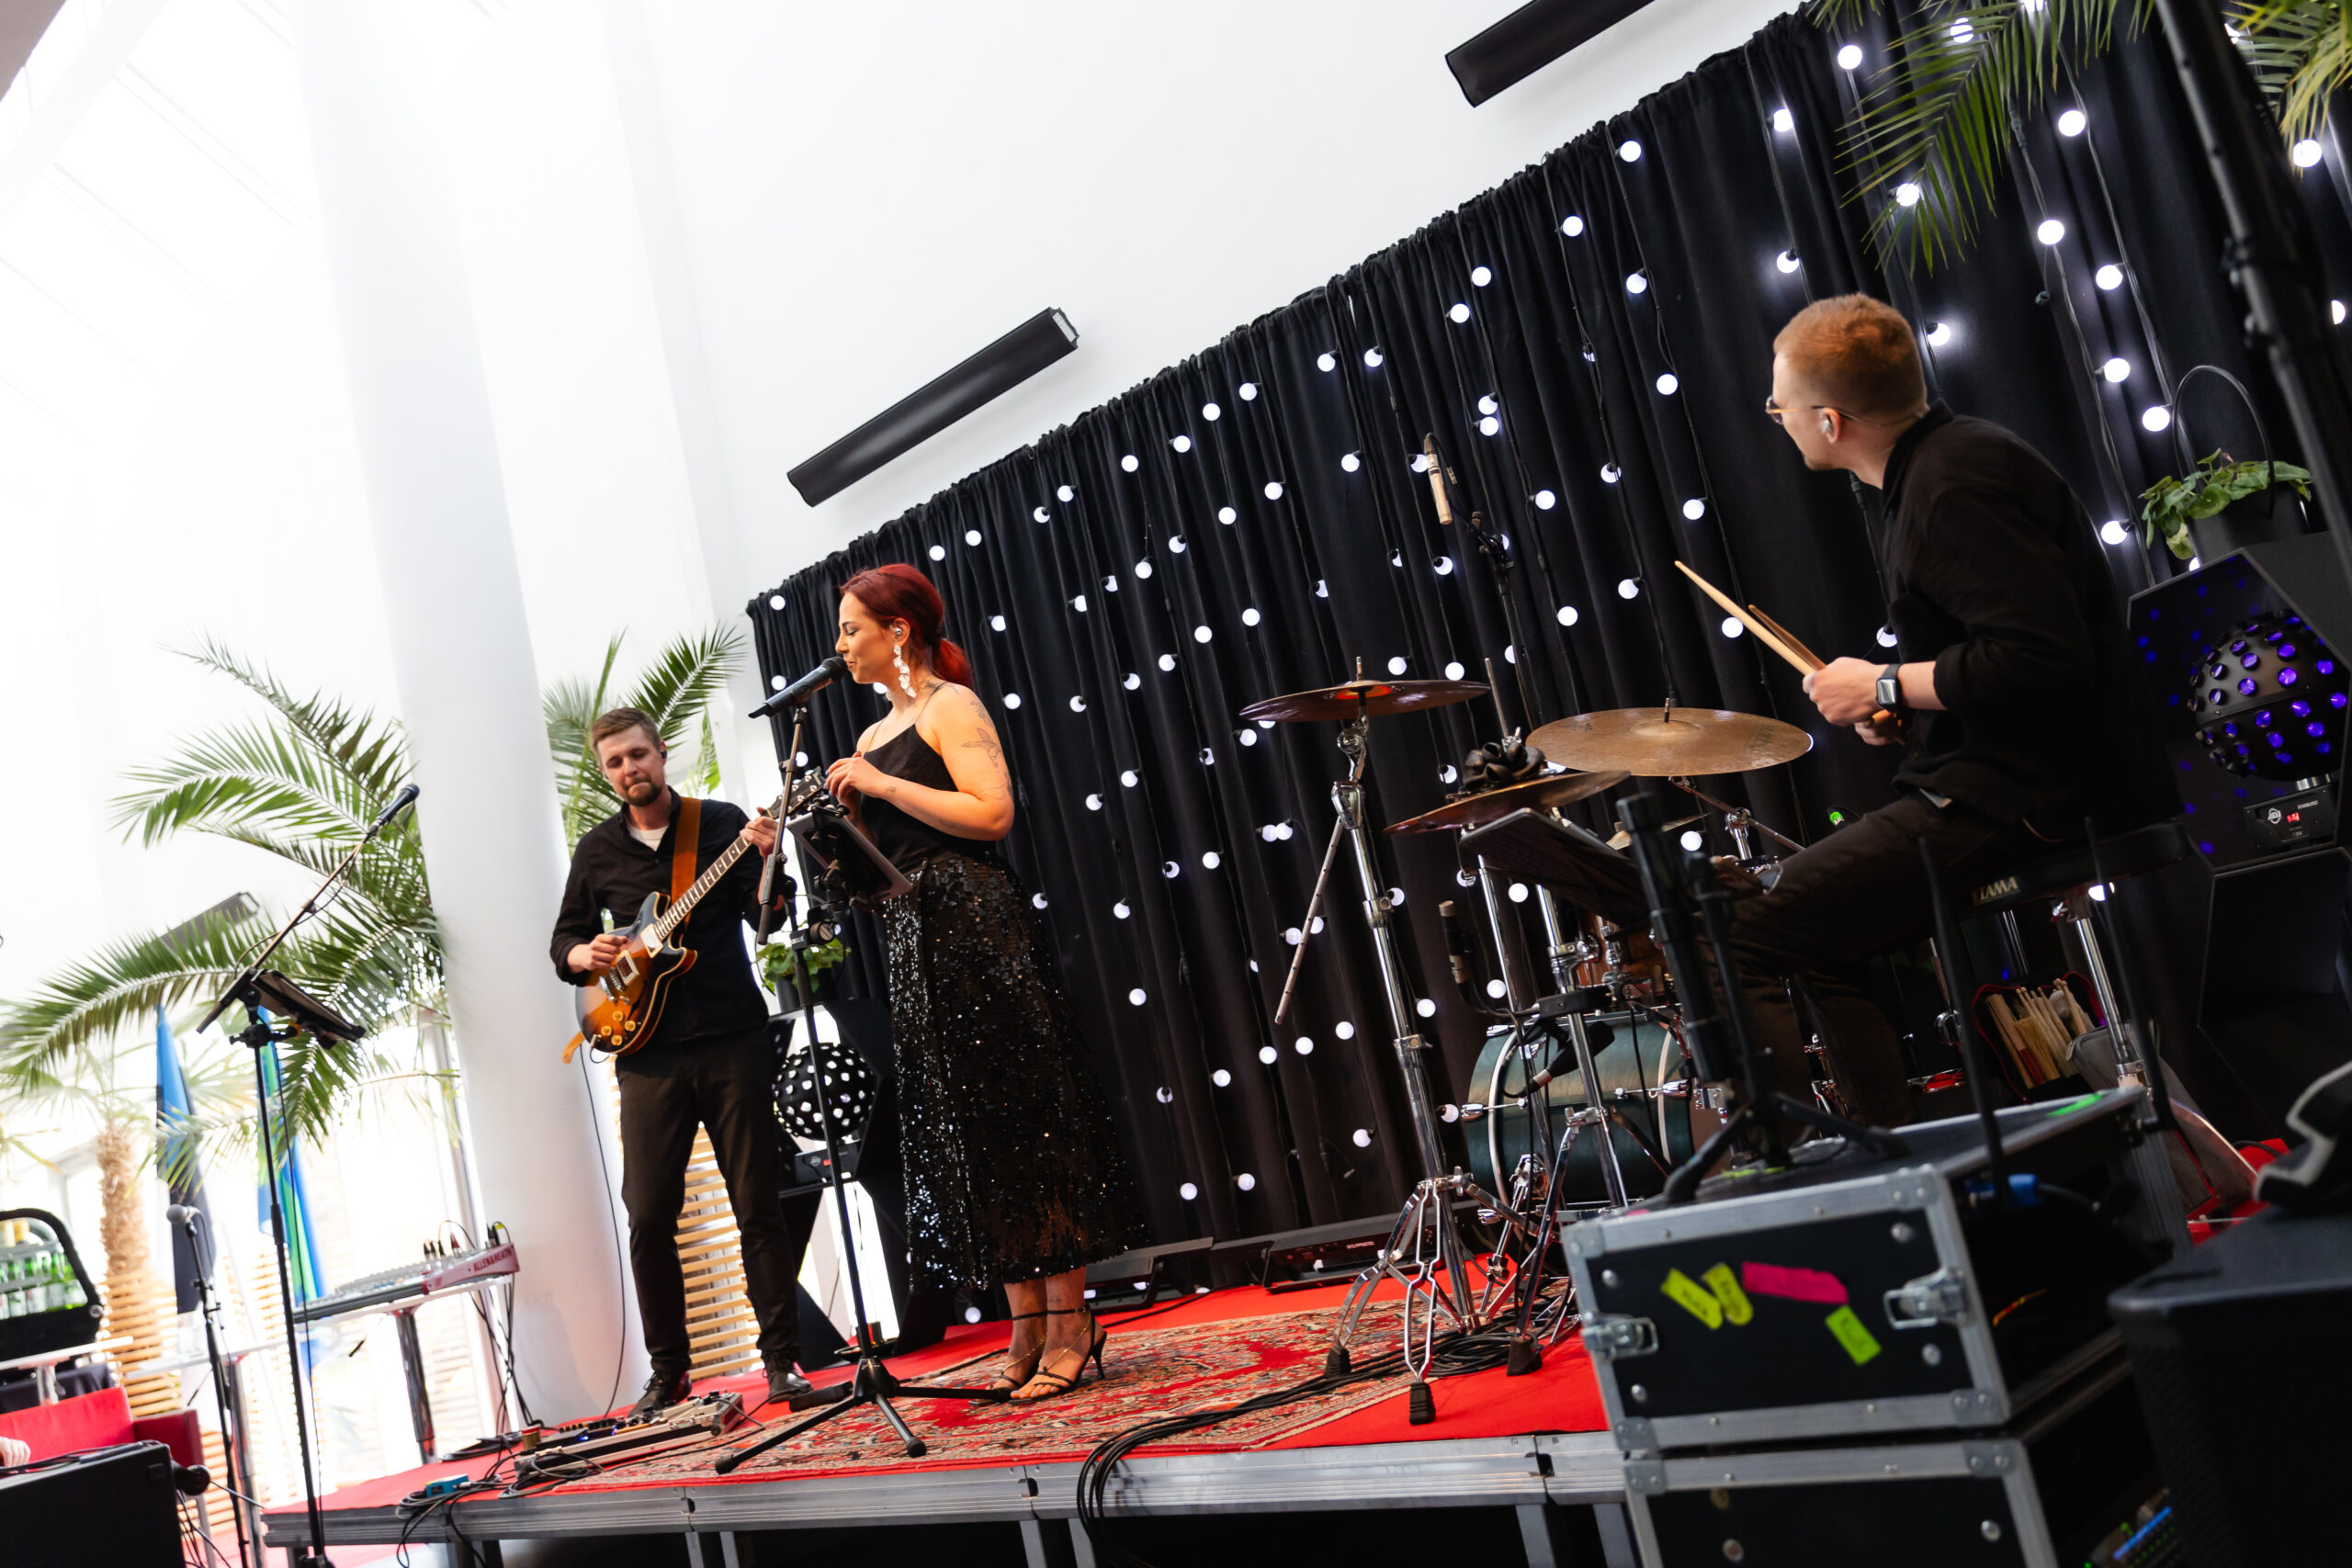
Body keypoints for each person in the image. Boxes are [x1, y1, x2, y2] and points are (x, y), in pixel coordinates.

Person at [1726, 294, 2175, 1128]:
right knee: (1810, 930)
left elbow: (2045, 658)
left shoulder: (1949, 485)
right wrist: (1908, 709)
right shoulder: (1947, 463)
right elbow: (1998, 664)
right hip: (2016, 773)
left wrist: (1885, 684)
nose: (1778, 421)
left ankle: (1800, 1169)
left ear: (1828, 421)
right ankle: (1883, 1154)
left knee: (1745, 928)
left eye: (1778, 408)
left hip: (2035, 795)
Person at [822, 562, 1148, 1403]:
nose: (841, 644)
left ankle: (1071, 1320)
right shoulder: (870, 735)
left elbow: (992, 813)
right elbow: (875, 864)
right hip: (913, 937)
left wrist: (880, 783)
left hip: (977, 923)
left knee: (1027, 1119)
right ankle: (1025, 1322)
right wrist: (831, 827)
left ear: (898, 630)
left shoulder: (950, 706)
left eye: (852, 628)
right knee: (971, 1133)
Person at [549, 707, 819, 1416]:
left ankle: (782, 1362)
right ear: (605, 772)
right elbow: (564, 943)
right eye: (615, 762)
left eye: (638, 754)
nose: (629, 769)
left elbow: (770, 917)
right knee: (647, 1215)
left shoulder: (721, 822)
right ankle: (669, 1372)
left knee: (757, 1205)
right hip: (646, 1054)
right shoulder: (597, 850)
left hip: (731, 1037)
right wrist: (585, 952)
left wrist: (769, 860)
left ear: (661, 753)